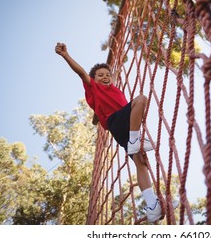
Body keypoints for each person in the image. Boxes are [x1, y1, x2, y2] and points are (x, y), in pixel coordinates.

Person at [55, 42, 177, 223]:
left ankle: (152, 206)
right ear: (93, 80)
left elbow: (114, 78)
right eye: (100, 75)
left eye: (107, 75)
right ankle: (135, 140)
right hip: (118, 122)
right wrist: (66, 55)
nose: (105, 77)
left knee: (141, 162)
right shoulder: (94, 89)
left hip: (124, 130)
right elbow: (81, 72)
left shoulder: (114, 89)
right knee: (141, 99)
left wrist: (96, 116)